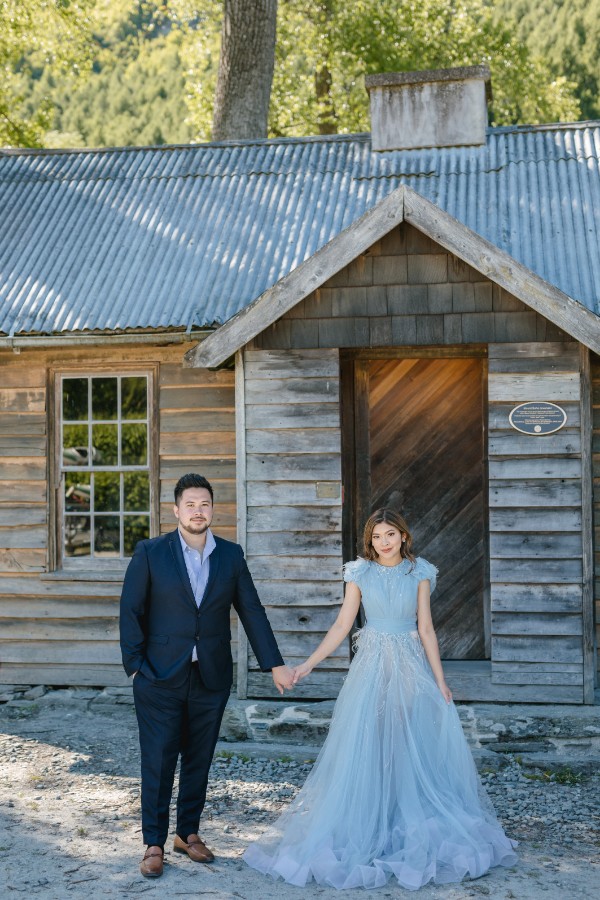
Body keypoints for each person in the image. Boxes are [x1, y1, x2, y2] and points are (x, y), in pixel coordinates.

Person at [244, 508, 517, 891]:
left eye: (390, 534)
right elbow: (343, 624)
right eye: (376, 537)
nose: (383, 542)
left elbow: (426, 627)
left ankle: (402, 814)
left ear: (403, 536)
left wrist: (440, 681)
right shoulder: (360, 573)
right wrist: (307, 664)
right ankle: (370, 816)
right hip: (372, 662)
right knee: (368, 735)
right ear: (369, 541)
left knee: (405, 736)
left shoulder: (419, 571)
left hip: (408, 660)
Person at [120, 473, 294, 878]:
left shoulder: (231, 556)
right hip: (158, 676)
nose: (198, 511)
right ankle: (153, 843)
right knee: (159, 760)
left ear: (213, 509)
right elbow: (130, 610)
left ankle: (188, 833)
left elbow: (251, 610)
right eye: (190, 505)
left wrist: (275, 664)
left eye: (205, 504)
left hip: (210, 675)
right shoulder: (151, 552)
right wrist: (135, 668)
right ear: (176, 510)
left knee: (199, 757)